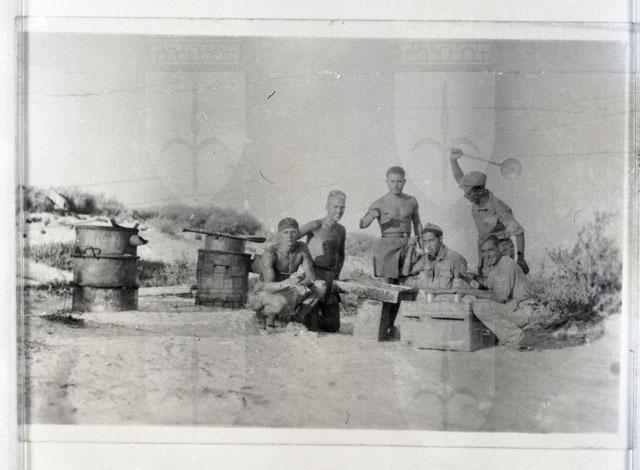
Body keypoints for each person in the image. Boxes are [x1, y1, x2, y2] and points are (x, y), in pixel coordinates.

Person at [359, 166, 423, 339]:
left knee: (402, 289)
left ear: (404, 181)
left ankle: (392, 326)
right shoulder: (380, 202)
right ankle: (380, 328)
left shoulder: (411, 201)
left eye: (399, 181)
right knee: (386, 289)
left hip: (406, 246)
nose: (396, 185)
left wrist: (423, 247)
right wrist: (372, 215)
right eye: (392, 181)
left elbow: (417, 223)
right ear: (387, 182)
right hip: (387, 246)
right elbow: (362, 224)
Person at [449, 148, 529, 274]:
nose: (465, 196)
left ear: (479, 191)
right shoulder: (475, 196)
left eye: (468, 193)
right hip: (485, 247)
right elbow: (459, 178)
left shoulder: (498, 206)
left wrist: (521, 259)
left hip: (502, 249)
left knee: (501, 281)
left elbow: (519, 232)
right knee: (485, 280)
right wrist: (453, 161)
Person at [247, 218, 326, 329]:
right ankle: (261, 315)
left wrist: (301, 285)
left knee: (321, 286)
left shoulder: (302, 248)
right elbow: (267, 286)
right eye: (286, 232)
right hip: (263, 292)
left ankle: (297, 318)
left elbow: (311, 275)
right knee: (280, 302)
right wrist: (287, 283)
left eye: (293, 232)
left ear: (298, 233)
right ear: (279, 234)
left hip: (287, 288)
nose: (290, 236)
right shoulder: (271, 252)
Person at [464, 235, 536, 349]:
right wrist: (470, 279)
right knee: (476, 301)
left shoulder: (506, 264)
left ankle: (515, 337)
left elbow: (500, 297)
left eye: (490, 250)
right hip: (515, 308)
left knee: (479, 306)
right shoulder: (496, 266)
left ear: (499, 248)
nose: (487, 255)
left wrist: (471, 292)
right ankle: (511, 335)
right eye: (483, 252)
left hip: (523, 310)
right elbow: (487, 286)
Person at [298, 190, 347, 332]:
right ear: (327, 206)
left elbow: (341, 253)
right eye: (335, 206)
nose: (339, 211)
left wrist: (337, 273)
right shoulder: (315, 225)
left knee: (333, 327)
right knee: (311, 326)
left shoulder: (341, 230)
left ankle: (311, 314)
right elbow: (291, 238)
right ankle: (299, 314)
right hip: (314, 276)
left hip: (330, 278)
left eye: (342, 207)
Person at [402, 223, 468, 290]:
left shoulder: (456, 259)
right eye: (425, 241)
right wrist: (410, 248)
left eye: (431, 240)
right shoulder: (425, 258)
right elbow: (405, 273)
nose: (428, 246)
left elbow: (461, 290)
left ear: (440, 239)